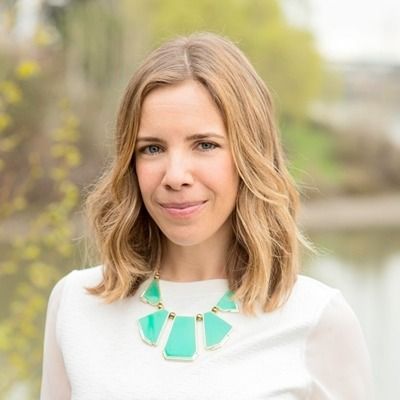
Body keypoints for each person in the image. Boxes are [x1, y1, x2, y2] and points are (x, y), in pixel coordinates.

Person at [40, 31, 373, 399]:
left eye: (205, 145)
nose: (176, 176)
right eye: (152, 148)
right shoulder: (75, 303)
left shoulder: (316, 317)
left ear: (249, 155)